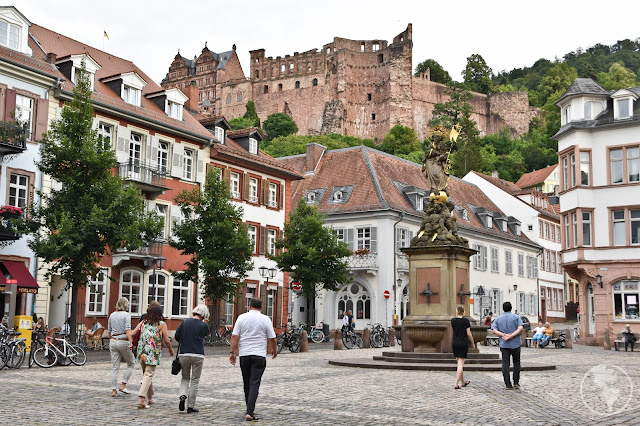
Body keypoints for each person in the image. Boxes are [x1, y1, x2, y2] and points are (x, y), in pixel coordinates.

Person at [229, 298, 277, 422]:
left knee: (246, 382)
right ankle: (250, 411)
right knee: (254, 383)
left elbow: (235, 336)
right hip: (259, 355)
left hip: (244, 354)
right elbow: (273, 338)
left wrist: (232, 352)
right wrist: (274, 350)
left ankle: (248, 408)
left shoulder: (241, 318)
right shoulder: (266, 319)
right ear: (261, 307)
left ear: (249, 305)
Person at [135, 304, 174, 409]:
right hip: (152, 353)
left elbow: (136, 333)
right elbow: (166, 339)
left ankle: (150, 397)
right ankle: (142, 399)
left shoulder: (144, 323)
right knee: (148, 375)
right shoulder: (161, 324)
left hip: (142, 352)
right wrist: (170, 350)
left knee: (147, 375)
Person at [175, 304, 211, 413]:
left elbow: (177, 336)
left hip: (184, 353)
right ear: (204, 314)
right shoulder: (203, 325)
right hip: (198, 354)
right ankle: (190, 406)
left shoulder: (185, 322)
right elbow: (207, 335)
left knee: (185, 377)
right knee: (195, 380)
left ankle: (182, 395)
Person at [491, 301, 523, 390]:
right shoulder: (516, 317)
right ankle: (516, 382)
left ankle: (508, 384)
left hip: (504, 344)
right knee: (516, 362)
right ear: (511, 308)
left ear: (503, 308)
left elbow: (494, 330)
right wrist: (512, 335)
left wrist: (503, 335)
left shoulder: (498, 318)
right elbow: (520, 328)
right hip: (515, 343)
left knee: (505, 363)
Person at [108, 297, 135, 398]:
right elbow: (127, 330)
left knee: (115, 367)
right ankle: (123, 385)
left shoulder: (112, 315)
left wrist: (112, 339)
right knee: (131, 363)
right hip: (123, 341)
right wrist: (131, 342)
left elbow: (109, 330)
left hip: (113, 341)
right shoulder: (126, 315)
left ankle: (114, 390)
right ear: (125, 305)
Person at [451, 305, 475, 389]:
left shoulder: (453, 320)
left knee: (459, 363)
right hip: (463, 343)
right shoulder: (465, 321)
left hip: (455, 343)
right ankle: (456, 383)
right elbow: (468, 334)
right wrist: (472, 343)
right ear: (463, 311)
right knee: (460, 364)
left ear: (457, 311)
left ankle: (463, 382)